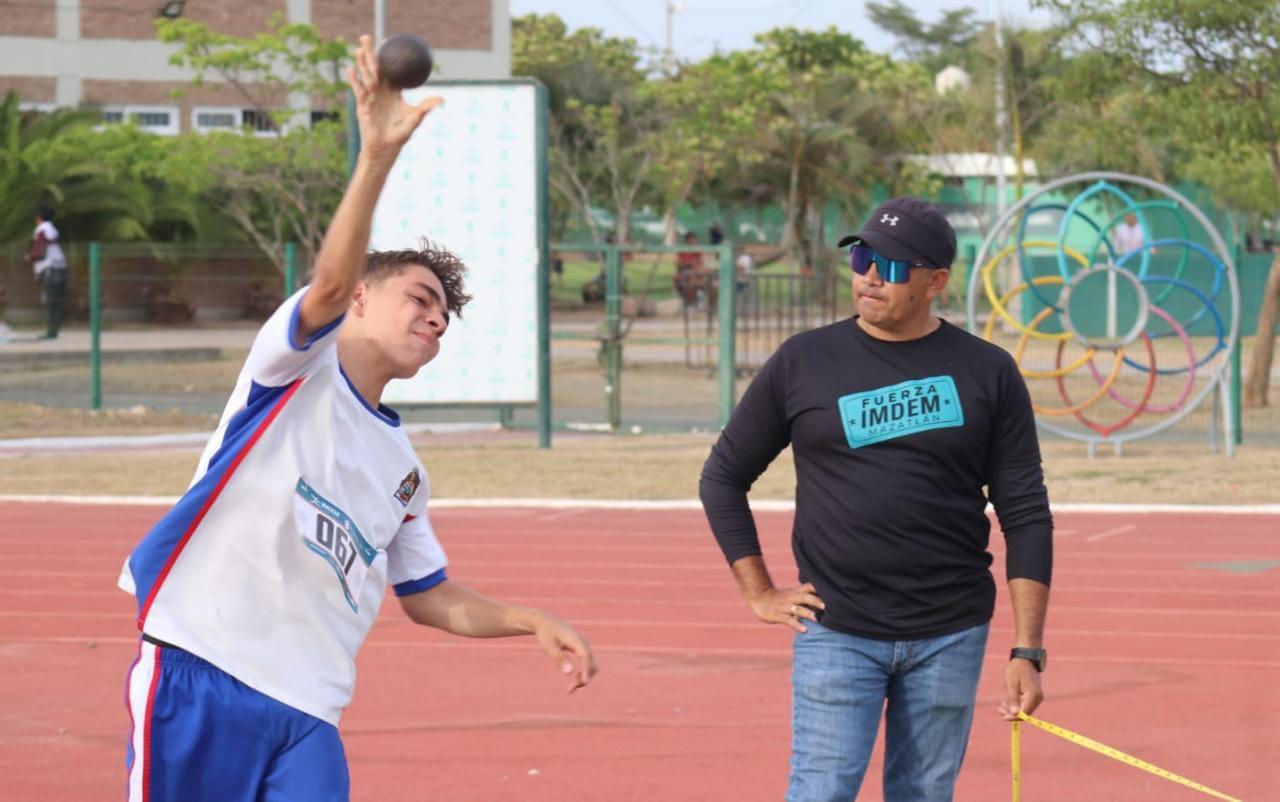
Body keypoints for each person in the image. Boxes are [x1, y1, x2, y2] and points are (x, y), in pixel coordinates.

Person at [117, 35, 597, 802]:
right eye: (420, 299)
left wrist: (528, 619)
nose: (435, 319)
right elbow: (330, 285)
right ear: (364, 300)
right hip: (202, 663)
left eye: (444, 317)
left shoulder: (404, 472)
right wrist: (376, 155)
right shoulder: (291, 371)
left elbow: (427, 594)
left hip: (308, 710)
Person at [699, 197, 1052, 802]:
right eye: (861, 258)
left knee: (922, 795)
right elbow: (722, 477)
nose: (868, 276)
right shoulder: (803, 360)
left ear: (935, 282)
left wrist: (1028, 650)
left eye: (889, 266)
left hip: (950, 632)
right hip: (837, 629)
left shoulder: (988, 372)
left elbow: (1025, 513)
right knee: (821, 792)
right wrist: (759, 591)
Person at [24, 204, 68, 339]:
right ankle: (53, 330)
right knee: (54, 302)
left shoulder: (42, 230)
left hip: (50, 270)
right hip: (58, 268)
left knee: (51, 302)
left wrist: (30, 257)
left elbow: (40, 250)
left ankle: (51, 332)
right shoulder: (52, 229)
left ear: (38, 218)